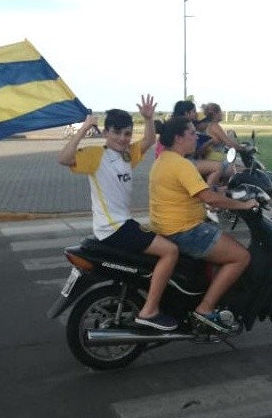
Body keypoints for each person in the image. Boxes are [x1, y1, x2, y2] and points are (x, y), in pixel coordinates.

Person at [57, 95, 180, 331]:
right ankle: (150, 310)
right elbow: (63, 158)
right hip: (114, 228)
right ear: (106, 132)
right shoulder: (96, 155)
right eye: (117, 133)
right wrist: (84, 128)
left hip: (123, 224)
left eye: (127, 134)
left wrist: (148, 118)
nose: (123, 138)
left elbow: (149, 140)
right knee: (170, 251)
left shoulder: (126, 154)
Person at [149, 116, 259, 333]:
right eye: (192, 134)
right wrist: (244, 205)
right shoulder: (182, 165)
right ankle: (205, 308)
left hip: (166, 228)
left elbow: (200, 193)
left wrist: (222, 195)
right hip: (185, 231)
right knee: (241, 256)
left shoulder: (163, 161)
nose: (196, 138)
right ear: (179, 138)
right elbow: (209, 198)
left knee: (221, 248)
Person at [156, 100, 226, 187]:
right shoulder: (181, 128)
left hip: (168, 161)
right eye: (193, 111)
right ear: (186, 113)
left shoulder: (173, 126)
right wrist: (210, 141)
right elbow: (195, 152)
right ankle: (208, 190)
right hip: (181, 162)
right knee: (218, 167)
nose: (196, 114)